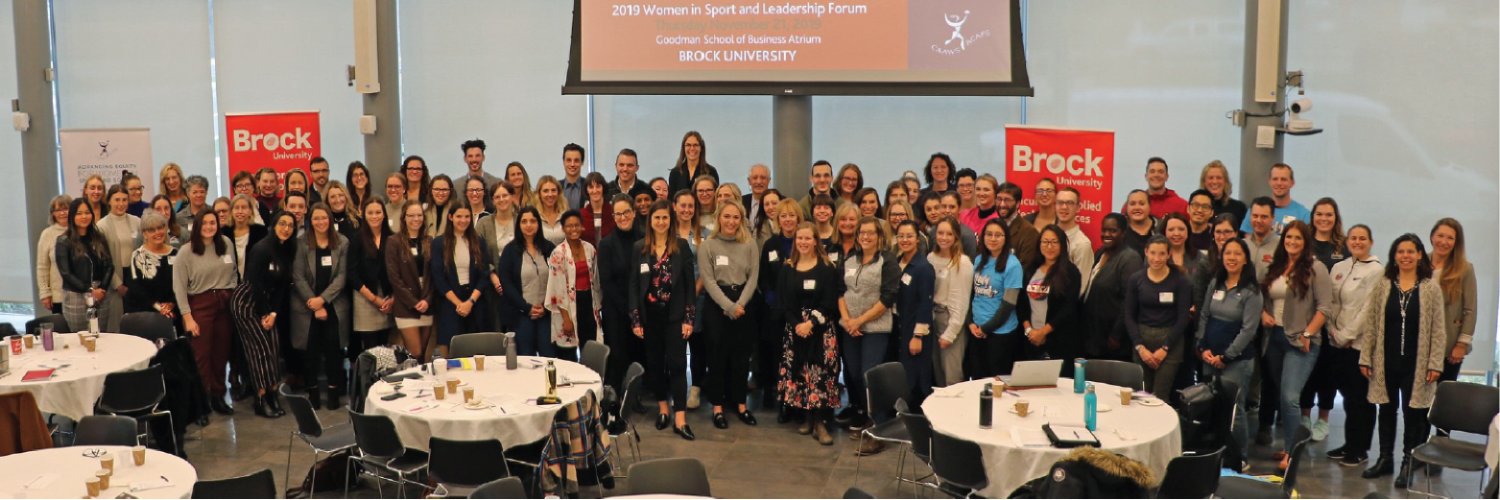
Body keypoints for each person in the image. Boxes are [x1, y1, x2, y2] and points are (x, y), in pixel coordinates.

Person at [1356, 234, 1446, 488]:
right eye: (1400, 251)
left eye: (1411, 251)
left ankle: (1408, 460)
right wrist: (1366, 356)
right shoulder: (1383, 285)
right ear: (1394, 256)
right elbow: (1372, 325)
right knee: (1385, 409)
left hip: (1417, 364)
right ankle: (1385, 459)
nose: (1405, 256)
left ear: (1420, 255)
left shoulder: (1430, 288)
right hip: (1386, 360)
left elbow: (1438, 330)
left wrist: (1435, 363)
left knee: (1413, 413)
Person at [1260, 220, 1332, 472]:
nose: (1292, 242)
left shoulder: (1316, 268)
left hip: (1300, 341)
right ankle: (1290, 444)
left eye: (1298, 238)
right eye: (1288, 237)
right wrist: (1262, 314)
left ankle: (1292, 453)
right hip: (1274, 339)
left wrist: (1308, 332)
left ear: (1306, 241)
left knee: (1290, 398)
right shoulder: (1277, 266)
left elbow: (1324, 307)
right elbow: (1266, 298)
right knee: (1283, 395)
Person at [629, 200, 698, 440]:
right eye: (656, 218)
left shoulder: (681, 247)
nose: (661, 222)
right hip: (650, 317)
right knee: (656, 365)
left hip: (676, 316)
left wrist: (689, 318)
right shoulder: (640, 248)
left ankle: (680, 417)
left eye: (665, 218)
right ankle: (663, 409)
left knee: (678, 364)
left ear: (671, 220)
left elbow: (690, 286)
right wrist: (636, 320)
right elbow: (634, 286)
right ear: (650, 221)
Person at [1196, 237, 1262, 471]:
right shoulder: (1216, 283)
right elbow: (1204, 315)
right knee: (1213, 406)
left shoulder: (1251, 292)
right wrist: (1202, 347)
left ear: (1245, 259)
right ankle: (1216, 451)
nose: (1231, 258)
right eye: (1228, 253)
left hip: (1236, 362)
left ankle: (1240, 456)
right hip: (1209, 357)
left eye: (1237, 254)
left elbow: (1248, 330)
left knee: (1235, 409)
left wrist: (1226, 357)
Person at [776, 222, 843, 446]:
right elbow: (784, 302)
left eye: (808, 238)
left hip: (821, 331)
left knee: (821, 375)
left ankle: (821, 422)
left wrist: (811, 323)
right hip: (795, 331)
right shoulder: (787, 268)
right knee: (802, 374)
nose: (803, 242)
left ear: (816, 241)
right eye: (799, 238)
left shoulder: (827, 268)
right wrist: (797, 325)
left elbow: (830, 301)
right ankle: (806, 417)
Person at [698, 201, 760, 429]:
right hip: (717, 305)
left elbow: (753, 277)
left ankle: (741, 404)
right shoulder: (708, 245)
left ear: (741, 219)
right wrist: (729, 306)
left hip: (744, 302)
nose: (731, 221)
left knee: (741, 357)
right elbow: (708, 280)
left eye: (736, 217)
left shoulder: (750, 244)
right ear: (719, 218)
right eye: (727, 217)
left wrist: (740, 304)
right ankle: (717, 407)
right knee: (716, 357)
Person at [1323, 224, 1381, 468]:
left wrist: (1347, 335)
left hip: (1358, 344)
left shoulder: (1377, 271)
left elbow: (1368, 310)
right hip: (1336, 341)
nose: (1357, 242)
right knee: (1347, 398)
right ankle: (1349, 443)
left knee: (1360, 399)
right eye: (1353, 238)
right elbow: (1330, 303)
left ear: (1371, 241)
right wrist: (1333, 332)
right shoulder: (1339, 267)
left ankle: (1360, 449)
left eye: (1362, 238)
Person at [230, 211, 296, 418]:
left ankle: (273, 392)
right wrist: (264, 312)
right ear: (274, 225)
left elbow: (283, 286)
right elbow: (255, 284)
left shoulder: (287, 249)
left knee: (274, 347)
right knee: (260, 350)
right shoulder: (261, 248)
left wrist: (273, 313)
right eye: (282, 224)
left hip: (268, 305)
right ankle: (261, 397)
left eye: (290, 225)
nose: (286, 228)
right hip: (247, 302)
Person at [173, 207, 240, 415]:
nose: (209, 227)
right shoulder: (187, 251)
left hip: (224, 304)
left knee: (221, 354)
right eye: (205, 223)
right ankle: (200, 404)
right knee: (201, 357)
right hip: (200, 305)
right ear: (197, 226)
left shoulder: (226, 244)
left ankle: (218, 396)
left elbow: (234, 273)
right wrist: (187, 317)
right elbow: (179, 287)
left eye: (213, 223)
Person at [836, 216, 898, 434]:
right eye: (862, 233)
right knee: (852, 373)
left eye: (871, 233)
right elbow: (840, 292)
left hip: (875, 328)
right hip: (850, 328)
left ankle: (879, 421)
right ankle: (864, 412)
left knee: (868, 374)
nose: (866, 237)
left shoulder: (887, 260)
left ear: (879, 236)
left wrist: (860, 321)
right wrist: (848, 321)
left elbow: (888, 297)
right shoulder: (850, 259)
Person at [291, 204, 350, 409]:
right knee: (310, 352)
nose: (320, 222)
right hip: (306, 305)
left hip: (334, 303)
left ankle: (333, 392)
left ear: (330, 219)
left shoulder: (342, 242)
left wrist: (323, 301)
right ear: (310, 220)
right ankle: (313, 393)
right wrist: (314, 304)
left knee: (334, 350)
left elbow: (342, 277)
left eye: (324, 218)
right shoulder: (300, 243)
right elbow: (297, 276)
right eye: (316, 218)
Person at [1300, 197, 1347, 440]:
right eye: (1319, 214)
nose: (1324, 219)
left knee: (1328, 372)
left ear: (1335, 218)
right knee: (1307, 368)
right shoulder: (1304, 244)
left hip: (1333, 321)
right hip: (1308, 317)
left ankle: (1324, 419)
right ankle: (1305, 417)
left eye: (1329, 214)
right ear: (1313, 216)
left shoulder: (1344, 247)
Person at [1124, 236, 1193, 398]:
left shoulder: (1181, 281)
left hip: (1170, 341)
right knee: (1142, 395)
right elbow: (1128, 314)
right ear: (1146, 252)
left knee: (1160, 396)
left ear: (1169, 255)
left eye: (1162, 254)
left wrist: (1165, 348)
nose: (1157, 258)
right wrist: (1139, 347)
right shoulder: (1136, 279)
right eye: (1153, 253)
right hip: (1142, 339)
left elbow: (1183, 318)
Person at [1018, 224, 1085, 376]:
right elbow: (1021, 303)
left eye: (1054, 242)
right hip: (1031, 340)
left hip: (1060, 342)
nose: (1049, 246)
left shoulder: (1071, 272)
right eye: (1045, 242)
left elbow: (1068, 308)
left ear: (1062, 245)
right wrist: (1030, 331)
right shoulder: (1030, 269)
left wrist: (1043, 332)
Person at [758, 198, 803, 421]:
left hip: (799, 313)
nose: (787, 220)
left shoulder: (804, 242)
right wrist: (772, 299)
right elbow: (764, 277)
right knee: (777, 356)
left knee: (797, 358)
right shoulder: (771, 245)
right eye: (783, 216)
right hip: (775, 312)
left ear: (798, 218)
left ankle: (798, 401)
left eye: (791, 215)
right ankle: (782, 400)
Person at [430, 205, 491, 356]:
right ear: (451, 217)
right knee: (450, 345)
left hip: (474, 300)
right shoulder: (439, 243)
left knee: (476, 347)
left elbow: (484, 275)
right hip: (450, 301)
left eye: (467, 217)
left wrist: (470, 302)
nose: (463, 220)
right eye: (459, 216)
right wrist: (459, 304)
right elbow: (438, 278)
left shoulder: (478, 241)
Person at [597, 195, 644, 391]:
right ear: (613, 216)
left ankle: (636, 395)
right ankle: (615, 397)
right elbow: (606, 282)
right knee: (618, 356)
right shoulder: (606, 244)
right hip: (616, 311)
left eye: (626, 212)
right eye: (618, 213)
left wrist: (637, 308)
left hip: (641, 310)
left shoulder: (644, 240)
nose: (623, 217)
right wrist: (627, 309)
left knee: (638, 355)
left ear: (634, 213)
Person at [1082, 213, 1143, 361]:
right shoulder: (1101, 252)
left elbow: (1129, 301)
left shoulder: (1130, 258)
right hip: (1094, 333)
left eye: (1113, 230)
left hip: (1114, 339)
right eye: (1104, 230)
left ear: (1123, 233)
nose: (1107, 234)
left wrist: (1117, 334)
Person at [968, 219, 1024, 379]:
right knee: (978, 381)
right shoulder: (979, 259)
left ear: (1005, 238)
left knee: (998, 384)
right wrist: (970, 323)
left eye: (998, 235)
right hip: (976, 330)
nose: (993, 238)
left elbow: (1009, 304)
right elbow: (973, 294)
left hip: (1000, 334)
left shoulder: (1013, 265)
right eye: (989, 234)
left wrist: (986, 329)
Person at [499, 208, 556, 356]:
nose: (528, 225)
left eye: (532, 221)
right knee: (525, 358)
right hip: (521, 314)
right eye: (524, 221)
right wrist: (526, 307)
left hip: (547, 313)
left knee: (548, 356)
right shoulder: (510, 251)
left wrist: (545, 306)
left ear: (538, 223)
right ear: (518, 225)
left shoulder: (549, 248)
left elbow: (558, 280)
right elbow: (506, 283)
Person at [544, 210, 600, 362]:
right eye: (569, 226)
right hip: (566, 307)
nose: (573, 229)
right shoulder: (558, 253)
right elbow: (555, 289)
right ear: (563, 228)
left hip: (588, 303)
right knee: (568, 354)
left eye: (576, 225)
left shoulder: (590, 249)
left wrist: (598, 307)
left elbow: (596, 280)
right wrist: (566, 319)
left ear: (582, 227)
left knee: (590, 347)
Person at [892, 220, 936, 408]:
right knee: (903, 378)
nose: (905, 240)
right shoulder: (898, 262)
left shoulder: (923, 267)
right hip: (900, 328)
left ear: (917, 239)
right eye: (901, 236)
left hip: (915, 333)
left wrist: (918, 336)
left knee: (918, 380)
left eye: (909, 236)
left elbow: (925, 304)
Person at [1427, 218, 1475, 384]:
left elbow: (1470, 309)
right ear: (1432, 237)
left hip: (1449, 347)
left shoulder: (1465, 269)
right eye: (1440, 235)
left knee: (1442, 400)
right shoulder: (1419, 264)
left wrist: (1462, 344)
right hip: (1419, 345)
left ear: (1456, 242)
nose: (1444, 242)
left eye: (1450, 238)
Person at [57, 198, 114, 333]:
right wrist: (89, 290)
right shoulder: (63, 241)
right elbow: (66, 273)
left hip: (101, 295)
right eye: (79, 213)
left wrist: (102, 289)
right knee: (79, 339)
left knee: (101, 336)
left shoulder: (99, 237)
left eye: (87, 213)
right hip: (76, 296)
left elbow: (109, 265)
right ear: (72, 216)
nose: (84, 217)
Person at [929, 217, 974, 385]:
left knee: (952, 376)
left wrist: (951, 333)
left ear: (956, 237)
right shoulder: (930, 258)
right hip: (932, 319)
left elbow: (961, 302)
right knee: (938, 374)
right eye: (940, 233)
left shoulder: (962, 262)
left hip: (950, 320)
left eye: (949, 234)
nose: (944, 237)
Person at [387, 201, 434, 361]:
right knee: (415, 352)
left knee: (423, 355)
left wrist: (427, 300)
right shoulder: (394, 242)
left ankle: (420, 384)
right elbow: (394, 278)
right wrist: (413, 302)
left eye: (419, 215)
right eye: (411, 215)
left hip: (427, 303)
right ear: (404, 218)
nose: (416, 219)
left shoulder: (429, 241)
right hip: (406, 305)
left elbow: (434, 275)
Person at [348, 197, 394, 360]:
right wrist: (374, 299)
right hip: (365, 296)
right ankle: (369, 384)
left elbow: (398, 270)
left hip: (388, 298)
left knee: (386, 348)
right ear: (363, 215)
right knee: (371, 350)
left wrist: (393, 298)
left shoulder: (392, 237)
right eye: (370, 213)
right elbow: (351, 273)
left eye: (378, 212)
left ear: (384, 215)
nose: (374, 216)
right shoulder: (357, 239)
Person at [122, 212, 180, 334]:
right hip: (144, 314)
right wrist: (159, 307)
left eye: (160, 228)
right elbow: (136, 288)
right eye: (151, 230)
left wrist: (171, 303)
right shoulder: (137, 255)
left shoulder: (176, 253)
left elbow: (181, 283)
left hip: (172, 311)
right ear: (144, 234)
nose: (157, 233)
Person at [97, 184, 140, 332]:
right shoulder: (101, 226)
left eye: (124, 200)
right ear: (109, 201)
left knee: (136, 321)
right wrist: (117, 284)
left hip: (135, 275)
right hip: (115, 277)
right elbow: (102, 260)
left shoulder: (137, 222)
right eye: (117, 200)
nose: (121, 204)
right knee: (117, 323)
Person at [476, 183, 516, 331]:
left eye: (505, 195)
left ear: (512, 197)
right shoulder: (483, 224)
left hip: (519, 286)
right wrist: (493, 276)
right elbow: (477, 254)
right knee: (496, 330)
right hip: (492, 287)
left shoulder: (522, 220)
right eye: (497, 197)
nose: (501, 199)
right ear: (492, 200)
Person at [1240, 163, 1310, 235]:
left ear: (1292, 183)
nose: (1279, 183)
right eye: (1275, 179)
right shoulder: (1256, 210)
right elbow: (1248, 241)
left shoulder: (1304, 215)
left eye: (1283, 179)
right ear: (1269, 182)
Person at [36, 195, 72, 314]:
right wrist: (45, 293)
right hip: (58, 297)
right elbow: (42, 267)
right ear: (53, 213)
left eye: (66, 209)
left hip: (81, 296)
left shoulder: (79, 231)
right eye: (58, 210)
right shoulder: (47, 234)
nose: (62, 213)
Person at [1054, 188, 1095, 286]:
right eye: (1060, 202)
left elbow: (1081, 285)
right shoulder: (1047, 236)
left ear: (1078, 207)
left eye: (1070, 203)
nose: (1064, 207)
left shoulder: (1082, 244)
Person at [996, 182, 1041, 270]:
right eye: (999, 199)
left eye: (1007, 200)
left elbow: (1024, 268)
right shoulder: (990, 227)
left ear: (1017, 204)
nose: (1002, 204)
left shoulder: (1029, 232)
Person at [224, 195, 267, 278]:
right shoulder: (224, 232)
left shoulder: (260, 232)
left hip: (254, 281)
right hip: (230, 281)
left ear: (250, 211)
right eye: (236, 208)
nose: (240, 211)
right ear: (231, 211)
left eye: (244, 208)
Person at [1200, 160, 1246, 230]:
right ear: (1204, 182)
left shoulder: (1239, 208)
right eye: (1210, 178)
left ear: (1225, 181)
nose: (1215, 182)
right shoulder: (1197, 208)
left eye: (1219, 178)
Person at [668, 131, 718, 196]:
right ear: (683, 148)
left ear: (701, 148)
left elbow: (715, 198)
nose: (692, 148)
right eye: (688, 145)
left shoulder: (710, 172)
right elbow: (671, 200)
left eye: (695, 145)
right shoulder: (675, 173)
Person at [579, 172, 615, 245]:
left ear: (603, 188)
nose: (595, 191)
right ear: (587, 190)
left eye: (598, 186)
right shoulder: (580, 215)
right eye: (591, 187)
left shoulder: (613, 212)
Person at [534, 176, 568, 245]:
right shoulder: (534, 217)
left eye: (553, 190)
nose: (550, 194)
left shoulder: (566, 215)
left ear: (558, 193)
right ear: (539, 194)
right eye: (545, 191)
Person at [1121, 189, 1156, 254]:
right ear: (1127, 207)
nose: (1137, 208)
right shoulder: (1120, 229)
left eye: (1141, 204)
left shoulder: (1160, 227)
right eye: (1132, 204)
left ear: (1149, 206)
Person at [1185, 190, 1217, 257]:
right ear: (1188, 208)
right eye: (1196, 205)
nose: (1200, 210)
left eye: (1205, 207)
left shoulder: (1216, 237)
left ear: (1212, 213)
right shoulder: (1179, 235)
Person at [743, 164, 772, 230]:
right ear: (749, 181)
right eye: (755, 178)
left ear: (769, 180)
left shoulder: (780, 202)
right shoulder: (741, 202)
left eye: (763, 178)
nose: (759, 182)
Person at [559, 143, 587, 209]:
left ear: (582, 162)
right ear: (563, 162)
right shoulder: (556, 188)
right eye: (569, 160)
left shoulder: (589, 187)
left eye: (576, 160)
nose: (572, 164)